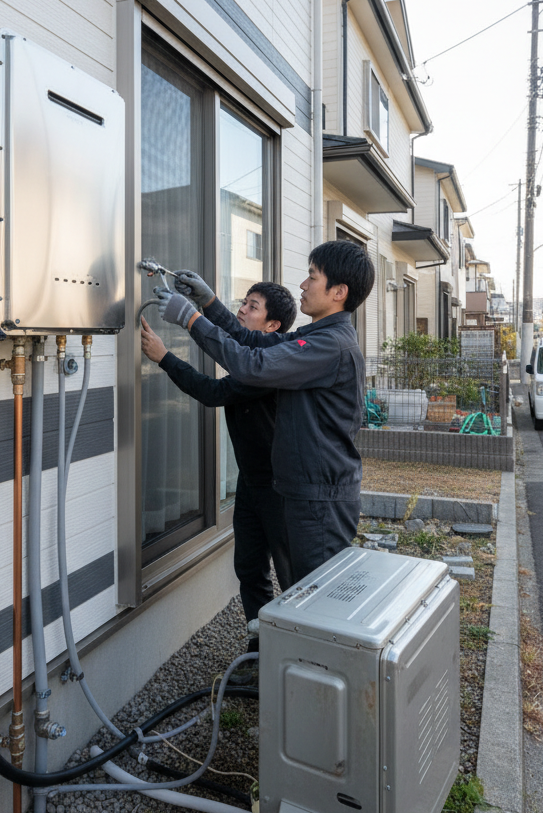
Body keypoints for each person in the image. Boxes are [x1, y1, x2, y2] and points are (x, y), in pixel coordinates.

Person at [156, 240, 375, 586]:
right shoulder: (318, 336)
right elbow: (253, 342)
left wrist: (190, 318)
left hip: (318, 500)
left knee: (312, 598)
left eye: (312, 277)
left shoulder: (329, 345)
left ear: (338, 292)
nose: (303, 285)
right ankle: (271, 641)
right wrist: (209, 303)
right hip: (303, 491)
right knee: (300, 593)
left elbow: (251, 364)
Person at [139, 283, 297, 642]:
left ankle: (296, 656)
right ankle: (261, 648)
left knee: (292, 576)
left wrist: (164, 356)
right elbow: (236, 336)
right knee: (249, 568)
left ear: (272, 325)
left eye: (252, 306)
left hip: (279, 487)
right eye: (244, 302)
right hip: (251, 482)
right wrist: (207, 301)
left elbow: (214, 392)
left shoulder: (270, 364)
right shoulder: (254, 350)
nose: (242, 309)